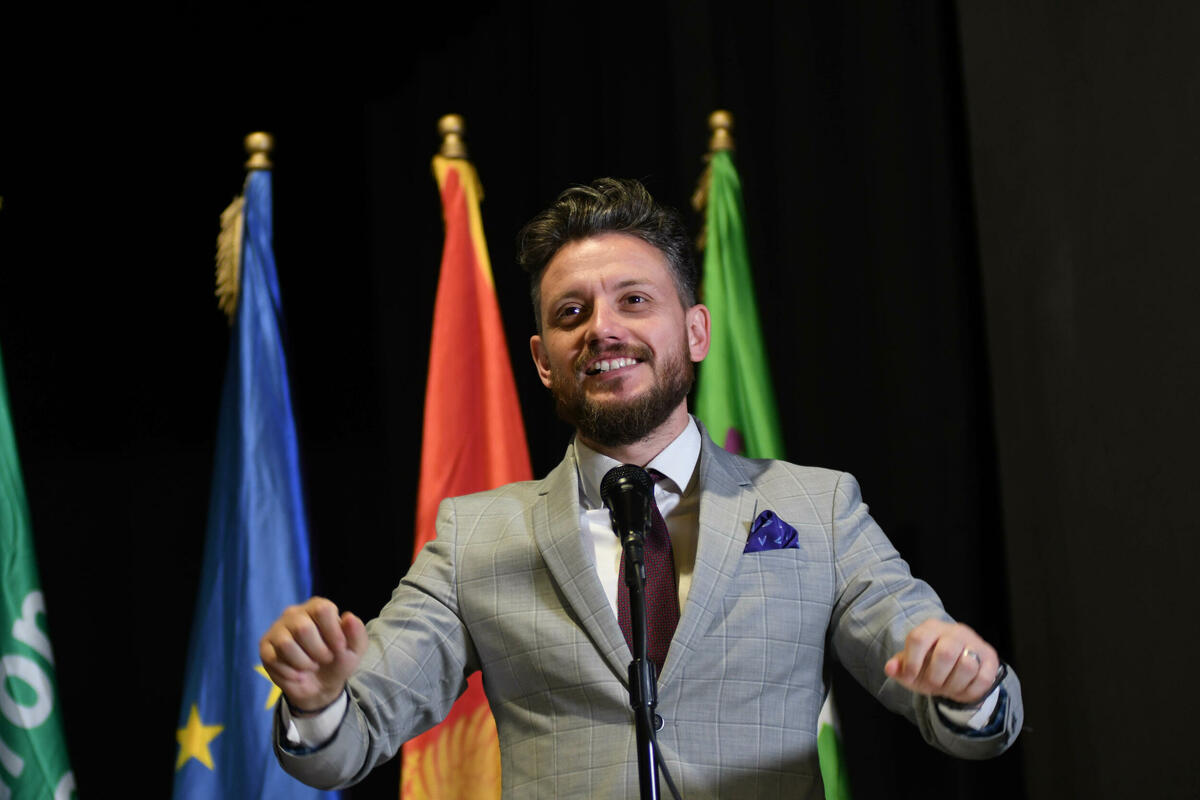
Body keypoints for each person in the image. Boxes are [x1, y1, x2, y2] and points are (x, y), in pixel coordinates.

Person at [260, 178, 1023, 798]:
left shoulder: (814, 508)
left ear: (695, 332)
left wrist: (966, 683)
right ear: (543, 360)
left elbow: (961, 702)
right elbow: (347, 741)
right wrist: (318, 701)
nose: (602, 328)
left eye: (634, 300)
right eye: (572, 312)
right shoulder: (474, 537)